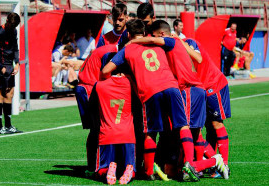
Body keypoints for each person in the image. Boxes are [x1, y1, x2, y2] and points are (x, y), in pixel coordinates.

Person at [128, 20, 229, 180]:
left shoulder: (172, 41)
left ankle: (193, 165)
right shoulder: (177, 44)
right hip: (197, 89)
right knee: (195, 133)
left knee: (184, 127)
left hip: (190, 88)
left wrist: (133, 41)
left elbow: (155, 41)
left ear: (161, 34)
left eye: (154, 36)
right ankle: (213, 161)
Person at [102, 19, 198, 182]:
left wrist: (125, 77)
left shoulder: (127, 49)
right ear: (145, 32)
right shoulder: (159, 44)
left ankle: (148, 171)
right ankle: (189, 163)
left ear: (129, 34)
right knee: (182, 126)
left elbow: (106, 70)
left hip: (150, 92)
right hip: (171, 86)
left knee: (150, 133)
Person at [185, 38, 231, 177]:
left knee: (216, 124)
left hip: (213, 85)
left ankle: (224, 165)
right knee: (199, 127)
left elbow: (198, 58)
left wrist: (178, 42)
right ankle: (207, 163)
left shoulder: (189, 43)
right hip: (199, 89)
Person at [75, 44, 118, 174]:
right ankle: (97, 165)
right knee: (99, 128)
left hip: (87, 87)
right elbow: (106, 74)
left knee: (98, 128)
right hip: (90, 89)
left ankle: (95, 165)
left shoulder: (106, 49)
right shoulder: (110, 52)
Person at [92, 73, 136, 185]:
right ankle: (128, 170)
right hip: (128, 134)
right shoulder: (131, 83)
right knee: (130, 165)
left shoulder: (99, 85)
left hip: (107, 134)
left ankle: (108, 170)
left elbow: (92, 108)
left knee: (100, 169)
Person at [0, 13, 22, 134]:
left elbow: (15, 47)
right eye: (12, 24)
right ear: (7, 21)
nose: (13, 27)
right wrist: (0, 66)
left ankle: (8, 125)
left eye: (15, 25)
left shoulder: (14, 31)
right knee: (0, 93)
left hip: (10, 65)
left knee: (10, 93)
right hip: (0, 66)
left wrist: (17, 63)